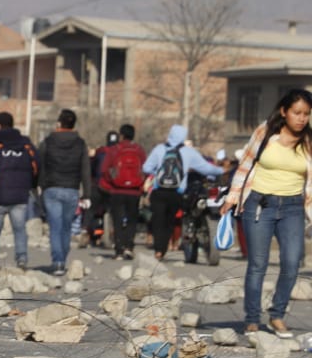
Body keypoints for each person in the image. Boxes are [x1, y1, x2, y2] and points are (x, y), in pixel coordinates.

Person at [220, 90, 312, 338]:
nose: (301, 119)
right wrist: (231, 198)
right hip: (260, 204)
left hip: (293, 208)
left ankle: (277, 315)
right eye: (297, 113)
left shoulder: (309, 141)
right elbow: (245, 165)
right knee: (258, 264)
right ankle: (252, 320)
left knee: (292, 263)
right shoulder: (265, 132)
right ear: (284, 112)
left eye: (306, 114)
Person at [142, 123, 223, 262]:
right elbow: (206, 168)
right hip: (176, 193)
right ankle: (163, 249)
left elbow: (146, 168)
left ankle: (158, 249)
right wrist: (221, 171)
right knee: (169, 221)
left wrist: (157, 174)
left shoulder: (159, 149)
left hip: (158, 191)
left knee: (158, 220)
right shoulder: (188, 152)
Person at [0, 111, 39, 271]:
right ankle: (22, 259)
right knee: (20, 230)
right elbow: (36, 165)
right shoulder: (25, 144)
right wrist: (33, 184)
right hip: (19, 196)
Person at [36, 108, 92, 275]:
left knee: (55, 226)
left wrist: (39, 186)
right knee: (66, 227)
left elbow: (40, 166)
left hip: (51, 189)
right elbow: (85, 170)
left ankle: (58, 261)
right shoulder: (80, 143)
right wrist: (87, 194)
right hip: (72, 190)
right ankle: (62, 259)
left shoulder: (47, 141)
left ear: (59, 123)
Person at [94, 124, 147, 260]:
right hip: (134, 191)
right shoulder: (139, 150)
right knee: (132, 219)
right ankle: (129, 247)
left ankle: (118, 250)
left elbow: (104, 169)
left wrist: (111, 182)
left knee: (117, 219)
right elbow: (146, 169)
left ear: (121, 135)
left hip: (117, 190)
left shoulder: (114, 150)